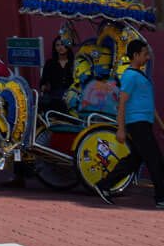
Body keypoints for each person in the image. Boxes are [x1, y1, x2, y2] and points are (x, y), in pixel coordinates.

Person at [92, 39, 160, 208]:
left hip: (145, 122)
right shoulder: (130, 76)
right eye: (145, 54)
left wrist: (160, 124)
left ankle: (104, 185)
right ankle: (161, 198)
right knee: (155, 160)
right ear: (135, 55)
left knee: (134, 160)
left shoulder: (142, 76)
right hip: (137, 123)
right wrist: (121, 129)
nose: (148, 57)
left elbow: (150, 103)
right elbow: (122, 103)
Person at [42, 36, 77, 111]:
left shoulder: (74, 62)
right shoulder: (50, 63)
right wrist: (44, 86)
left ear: (67, 46)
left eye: (63, 45)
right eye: (58, 45)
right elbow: (43, 81)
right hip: (55, 95)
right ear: (55, 48)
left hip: (72, 95)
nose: (61, 47)